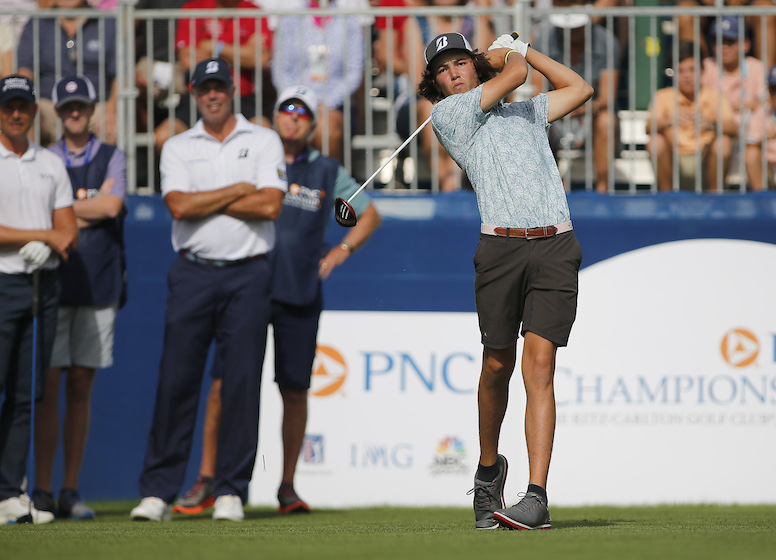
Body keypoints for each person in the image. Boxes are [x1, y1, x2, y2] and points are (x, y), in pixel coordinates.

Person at [173, 84, 381, 516]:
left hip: (299, 293)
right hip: (246, 284)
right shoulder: (254, 157)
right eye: (287, 110)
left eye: (303, 113)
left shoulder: (326, 169)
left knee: (294, 389)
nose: (294, 118)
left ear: (312, 124)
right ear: (274, 117)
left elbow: (369, 214)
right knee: (222, 384)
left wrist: (341, 250)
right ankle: (208, 479)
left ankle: (287, 486)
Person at [418, 31, 592, 529]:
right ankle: (489, 467)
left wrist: (527, 50)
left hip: (556, 244)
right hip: (501, 248)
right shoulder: (449, 116)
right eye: (444, 69)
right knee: (497, 364)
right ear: (436, 83)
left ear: (474, 66)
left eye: (461, 63)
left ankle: (536, 496)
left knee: (540, 368)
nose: (454, 73)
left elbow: (579, 89)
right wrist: (506, 56)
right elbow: (515, 74)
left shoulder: (526, 112)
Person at [129, 57, 287, 523]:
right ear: (193, 93)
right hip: (193, 272)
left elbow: (271, 205)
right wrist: (239, 188)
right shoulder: (178, 145)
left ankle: (230, 491)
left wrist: (210, 200)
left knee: (241, 382)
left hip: (249, 273)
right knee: (176, 380)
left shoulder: (264, 139)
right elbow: (178, 207)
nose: (212, 95)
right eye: (204, 88)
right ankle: (158, 491)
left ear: (231, 90)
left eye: (219, 87)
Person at [31, 75, 127, 520]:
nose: (75, 112)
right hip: (50, 283)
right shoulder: (44, 158)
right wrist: (78, 212)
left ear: (91, 110)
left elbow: (111, 208)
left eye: (81, 106)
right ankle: (43, 489)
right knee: (48, 387)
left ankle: (70, 488)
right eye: (67, 106)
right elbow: (38, 214)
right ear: (58, 109)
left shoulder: (112, 156)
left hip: (98, 283)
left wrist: (63, 214)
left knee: (81, 385)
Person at [0, 74, 78, 524]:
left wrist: (51, 244)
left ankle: (10, 491)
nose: (15, 114)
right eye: (8, 106)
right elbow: (52, 228)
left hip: (40, 287)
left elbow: (69, 230)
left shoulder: (51, 164)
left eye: (22, 106)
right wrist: (41, 235)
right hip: (4, 281)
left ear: (33, 112)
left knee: (27, 394)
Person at [151, 0, 274, 154]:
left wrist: (214, 47)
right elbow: (188, 60)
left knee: (265, 134)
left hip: (243, 96)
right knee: (163, 137)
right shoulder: (193, 8)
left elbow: (260, 59)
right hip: (198, 95)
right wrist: (242, 52)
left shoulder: (253, 11)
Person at [400, 0, 495, 191]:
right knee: (432, 108)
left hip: (469, 100)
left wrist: (483, 18)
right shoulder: (416, 21)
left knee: (467, 108)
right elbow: (420, 84)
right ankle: (446, 185)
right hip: (422, 102)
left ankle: (453, 183)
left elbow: (485, 68)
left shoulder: (477, 19)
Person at [532, 0, 620, 193]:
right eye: (567, 28)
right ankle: (542, 190)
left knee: (606, 121)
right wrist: (561, 109)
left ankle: (602, 191)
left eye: (576, 27)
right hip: (555, 114)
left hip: (592, 114)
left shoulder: (606, 41)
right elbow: (535, 90)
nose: (571, 32)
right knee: (533, 121)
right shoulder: (544, 39)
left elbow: (607, 97)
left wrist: (581, 109)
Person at [271, 0, 370, 163]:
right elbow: (280, 70)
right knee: (293, 123)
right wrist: (301, 102)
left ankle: (328, 186)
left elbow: (354, 72)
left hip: (335, 104)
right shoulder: (291, 19)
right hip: (295, 101)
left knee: (325, 127)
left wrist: (326, 103)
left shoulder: (349, 20)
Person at [16, 0, 118, 146]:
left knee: (117, 125)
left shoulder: (106, 23)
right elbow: (25, 71)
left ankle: (108, 168)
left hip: (95, 107)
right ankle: (29, 167)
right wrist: (26, 104)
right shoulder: (38, 23)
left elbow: (120, 73)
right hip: (48, 105)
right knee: (24, 117)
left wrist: (112, 109)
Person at [646, 42, 737, 192]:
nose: (687, 76)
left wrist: (711, 124)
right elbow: (648, 127)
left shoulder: (714, 95)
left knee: (724, 142)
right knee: (656, 142)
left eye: (692, 70)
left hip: (705, 159)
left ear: (702, 70)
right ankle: (667, 197)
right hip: (673, 160)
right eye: (680, 71)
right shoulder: (663, 96)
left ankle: (715, 197)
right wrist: (669, 120)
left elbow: (733, 127)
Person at [701, 16, 767, 125]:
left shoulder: (757, 67)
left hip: (750, 129)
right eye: (718, 42)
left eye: (730, 41)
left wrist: (728, 106)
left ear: (745, 45)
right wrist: (743, 106)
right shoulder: (706, 66)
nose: (724, 47)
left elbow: (766, 103)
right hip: (714, 128)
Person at [676, 0, 776, 70]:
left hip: (745, 6)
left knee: (766, 10)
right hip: (705, 7)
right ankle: (702, 81)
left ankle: (766, 86)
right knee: (685, 12)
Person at [745, 65, 776, 190]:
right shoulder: (761, 111)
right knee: (751, 154)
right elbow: (751, 144)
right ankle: (762, 201)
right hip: (768, 167)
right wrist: (765, 137)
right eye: (775, 89)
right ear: (768, 90)